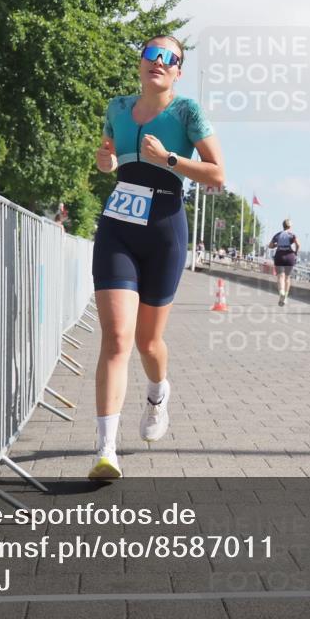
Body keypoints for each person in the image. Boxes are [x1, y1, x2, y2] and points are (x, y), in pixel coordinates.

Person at [90, 35, 225, 479]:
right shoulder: (116, 107)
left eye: (171, 58)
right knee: (116, 339)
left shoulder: (186, 112)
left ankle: (157, 393)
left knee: (148, 343)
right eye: (152, 54)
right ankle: (106, 450)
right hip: (118, 228)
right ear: (140, 62)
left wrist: (169, 159)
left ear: (178, 72)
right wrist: (105, 162)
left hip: (165, 229)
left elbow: (217, 174)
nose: (159, 62)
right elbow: (108, 162)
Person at [269, 219, 299, 306]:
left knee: (280, 277)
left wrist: (276, 245)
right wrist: (295, 252)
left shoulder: (278, 235)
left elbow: (270, 245)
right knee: (287, 278)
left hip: (279, 256)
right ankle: (285, 297)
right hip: (290, 256)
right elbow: (298, 244)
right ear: (290, 226)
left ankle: (281, 292)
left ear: (283, 226)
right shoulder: (292, 235)